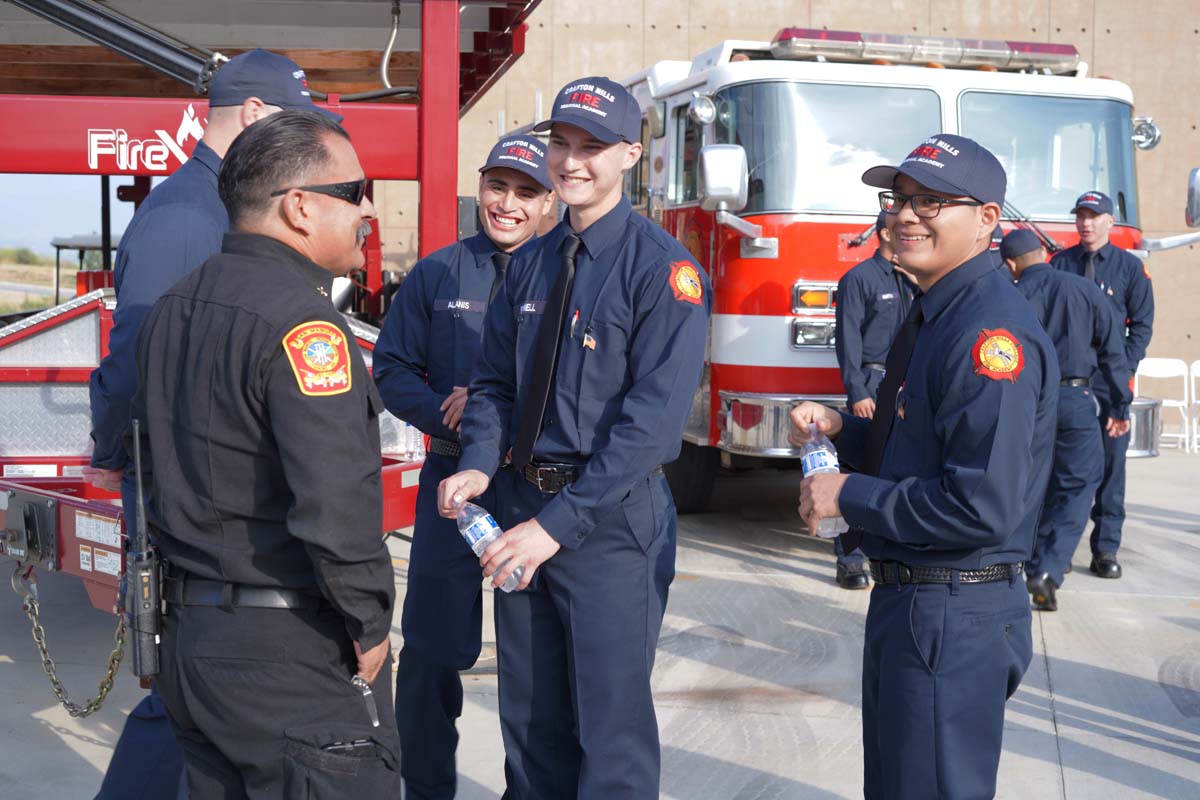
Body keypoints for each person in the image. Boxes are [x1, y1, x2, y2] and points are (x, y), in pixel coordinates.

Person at [436, 77, 711, 799]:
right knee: (529, 726)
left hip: (609, 522)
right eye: (562, 142)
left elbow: (649, 428)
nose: (573, 161)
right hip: (523, 509)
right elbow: (493, 384)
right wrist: (474, 465)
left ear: (630, 155)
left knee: (608, 732)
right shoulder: (529, 261)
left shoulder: (664, 273)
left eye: (593, 147)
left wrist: (554, 527)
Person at [85, 49, 341, 800]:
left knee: (198, 696)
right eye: (295, 125)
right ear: (256, 117)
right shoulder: (185, 221)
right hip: (184, 499)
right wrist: (113, 453)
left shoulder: (218, 208)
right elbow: (135, 362)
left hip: (211, 495)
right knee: (181, 693)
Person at [130, 110, 400, 798]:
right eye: (355, 191)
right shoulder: (306, 325)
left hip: (192, 643)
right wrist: (370, 625)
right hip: (288, 655)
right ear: (300, 206)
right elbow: (334, 503)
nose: (367, 209)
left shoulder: (173, 305)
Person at [790, 134, 1058, 799]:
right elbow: (918, 445)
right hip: (914, 599)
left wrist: (850, 495)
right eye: (900, 198)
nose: (906, 215)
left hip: (952, 607)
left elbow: (980, 504)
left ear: (989, 220)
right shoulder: (936, 312)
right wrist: (844, 431)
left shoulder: (987, 336)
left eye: (932, 201)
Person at [372, 134, 554, 800]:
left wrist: (493, 407)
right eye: (497, 186)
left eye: (525, 191)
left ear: (549, 201)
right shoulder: (438, 273)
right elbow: (391, 369)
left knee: (533, 660)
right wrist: (446, 413)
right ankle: (426, 790)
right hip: (453, 489)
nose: (506, 204)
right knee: (429, 653)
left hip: (533, 491)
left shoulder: (567, 274)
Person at [1001, 229, 1131, 611]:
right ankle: (1048, 569)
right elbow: (1113, 352)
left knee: (1025, 484)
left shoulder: (1010, 295)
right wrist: (1119, 406)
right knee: (1077, 486)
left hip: (1026, 403)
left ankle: (1013, 565)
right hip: (1075, 397)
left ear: (1011, 265)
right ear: (1043, 252)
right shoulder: (1085, 290)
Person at [1050, 191, 1153, 579]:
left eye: (1094, 217)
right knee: (1060, 471)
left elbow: (1141, 326)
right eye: (1081, 216)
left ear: (1111, 221)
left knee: (1110, 471)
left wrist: (1123, 372)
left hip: (1109, 385)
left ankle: (1105, 548)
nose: (1086, 223)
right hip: (1066, 384)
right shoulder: (1060, 264)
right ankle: (1055, 550)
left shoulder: (1128, 268)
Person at [833, 210, 915, 590]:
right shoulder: (859, 279)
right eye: (901, 228)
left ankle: (884, 548)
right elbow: (847, 341)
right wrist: (857, 391)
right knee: (855, 470)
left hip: (904, 384)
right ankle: (849, 558)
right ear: (884, 233)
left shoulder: (914, 280)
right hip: (872, 379)